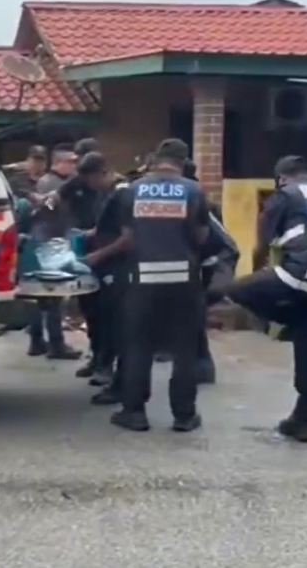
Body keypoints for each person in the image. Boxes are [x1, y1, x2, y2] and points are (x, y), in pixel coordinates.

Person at [224, 155, 307, 443]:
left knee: (235, 291)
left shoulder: (285, 196)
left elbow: (263, 242)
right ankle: (303, 421)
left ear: (281, 178)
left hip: (301, 272)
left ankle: (282, 326)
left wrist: (257, 275)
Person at [111, 138, 211, 432]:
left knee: (138, 344)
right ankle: (184, 415)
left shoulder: (131, 191)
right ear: (183, 161)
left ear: (155, 159)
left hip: (142, 279)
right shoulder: (193, 191)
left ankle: (135, 412)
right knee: (184, 348)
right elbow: (202, 236)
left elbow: (127, 238)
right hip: (183, 279)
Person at [63, 151, 132, 405]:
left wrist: (97, 256)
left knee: (114, 324)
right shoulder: (102, 192)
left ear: (102, 172)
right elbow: (106, 227)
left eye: (91, 181)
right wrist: (85, 234)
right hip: (100, 264)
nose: (89, 187)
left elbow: (127, 238)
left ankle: (115, 377)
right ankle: (99, 360)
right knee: (93, 313)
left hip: (116, 268)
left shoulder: (123, 193)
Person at [181, 159, 239, 385]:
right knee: (191, 314)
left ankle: (200, 367)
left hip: (213, 263)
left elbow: (212, 239)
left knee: (192, 313)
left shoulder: (193, 196)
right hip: (210, 262)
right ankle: (199, 366)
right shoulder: (194, 193)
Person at [26, 143, 82, 360]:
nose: (75, 166)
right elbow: (45, 208)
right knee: (52, 294)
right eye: (71, 162)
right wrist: (55, 200)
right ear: (59, 163)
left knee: (41, 294)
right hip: (49, 239)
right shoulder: (50, 183)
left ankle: (38, 340)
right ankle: (55, 344)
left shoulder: (57, 182)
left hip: (48, 238)